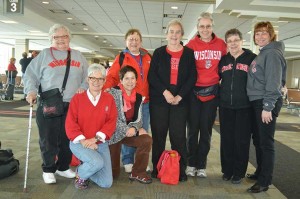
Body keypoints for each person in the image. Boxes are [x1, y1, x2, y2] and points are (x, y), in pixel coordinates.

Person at [23, 24, 89, 184]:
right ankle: (48, 169)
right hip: (50, 104)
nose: (61, 40)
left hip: (72, 105)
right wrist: (30, 91)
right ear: (51, 38)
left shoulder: (78, 56)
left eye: (64, 36)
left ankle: (63, 167)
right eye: (56, 37)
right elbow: (30, 75)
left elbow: (87, 77)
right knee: (48, 138)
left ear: (69, 38)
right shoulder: (45, 55)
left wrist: (83, 87)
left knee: (68, 137)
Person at [148, 19, 197, 182]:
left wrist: (179, 96)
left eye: (177, 32)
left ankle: (180, 170)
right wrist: (165, 93)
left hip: (180, 102)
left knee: (178, 137)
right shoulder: (159, 52)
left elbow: (192, 77)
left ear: (181, 34)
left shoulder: (189, 54)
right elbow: (152, 76)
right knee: (159, 135)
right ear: (166, 34)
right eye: (171, 31)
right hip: (160, 101)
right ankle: (157, 168)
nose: (174, 35)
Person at [103, 28, 151, 173]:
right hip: (127, 100)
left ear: (141, 41)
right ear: (126, 42)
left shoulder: (148, 56)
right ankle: (128, 160)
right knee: (127, 129)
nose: (134, 42)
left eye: (136, 39)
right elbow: (112, 76)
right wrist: (105, 90)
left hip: (145, 101)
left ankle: (140, 161)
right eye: (131, 39)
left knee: (142, 131)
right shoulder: (122, 57)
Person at [185, 12, 227, 178]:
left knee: (206, 131)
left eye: (208, 26)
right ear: (197, 28)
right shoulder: (190, 45)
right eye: (202, 26)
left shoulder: (222, 45)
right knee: (192, 131)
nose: (205, 29)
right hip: (193, 94)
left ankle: (201, 165)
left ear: (212, 27)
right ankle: (191, 163)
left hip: (212, 94)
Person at [246, 21, 286, 193]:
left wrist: (268, 106)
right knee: (259, 141)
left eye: (264, 33)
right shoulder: (263, 53)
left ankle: (265, 181)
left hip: (265, 103)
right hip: (257, 101)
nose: (260, 36)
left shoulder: (273, 54)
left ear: (271, 35)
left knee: (266, 143)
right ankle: (260, 171)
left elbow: (274, 82)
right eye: (257, 33)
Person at [65, 64, 117, 189]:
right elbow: (70, 123)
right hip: (79, 143)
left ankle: (87, 168)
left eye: (100, 79)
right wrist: (84, 141)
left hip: (100, 143)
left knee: (106, 183)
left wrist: (94, 140)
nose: (96, 82)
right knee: (97, 162)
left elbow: (111, 122)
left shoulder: (109, 99)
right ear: (88, 79)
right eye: (93, 78)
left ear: (104, 81)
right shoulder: (77, 98)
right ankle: (81, 174)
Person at [218, 29, 256, 184]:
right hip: (226, 106)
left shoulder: (252, 58)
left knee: (241, 140)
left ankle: (239, 172)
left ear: (242, 41)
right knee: (226, 139)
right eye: (230, 41)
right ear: (226, 43)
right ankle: (227, 170)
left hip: (244, 107)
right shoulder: (223, 60)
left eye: (236, 40)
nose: (233, 43)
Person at [108, 65, 152, 184]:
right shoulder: (112, 94)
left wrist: (135, 127)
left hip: (129, 132)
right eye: (126, 78)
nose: (130, 81)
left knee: (146, 139)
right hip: (113, 134)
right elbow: (112, 119)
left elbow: (139, 118)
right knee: (113, 174)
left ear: (136, 80)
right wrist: (130, 129)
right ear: (121, 80)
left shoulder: (138, 96)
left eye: (132, 78)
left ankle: (138, 172)